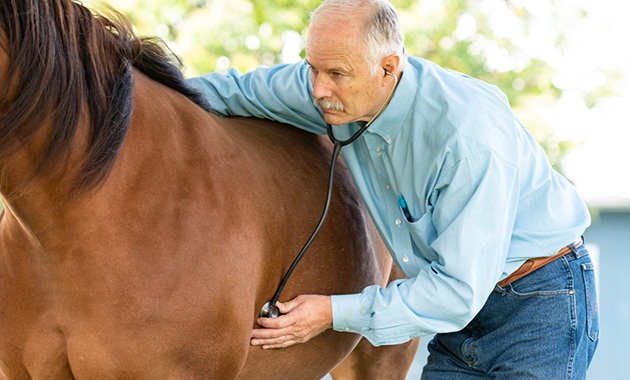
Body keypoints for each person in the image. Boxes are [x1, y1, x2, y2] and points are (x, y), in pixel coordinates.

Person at [188, 0, 599, 378]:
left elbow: (455, 294)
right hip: (459, 313)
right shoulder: (336, 92)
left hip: (540, 301)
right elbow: (231, 92)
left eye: (335, 74)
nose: (316, 90)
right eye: (312, 68)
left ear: (388, 68)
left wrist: (330, 313)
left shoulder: (467, 140)